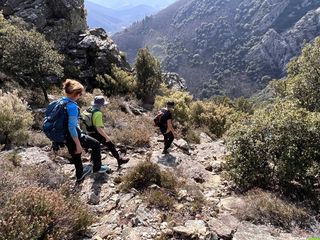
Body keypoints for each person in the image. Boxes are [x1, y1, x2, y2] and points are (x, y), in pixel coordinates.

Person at [62, 80, 110, 182]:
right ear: (75, 94)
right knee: (96, 144)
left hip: (65, 136)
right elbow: (72, 127)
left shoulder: (62, 101)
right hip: (73, 135)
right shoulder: (72, 106)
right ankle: (97, 168)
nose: (80, 96)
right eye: (79, 94)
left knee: (76, 154)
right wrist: (78, 144)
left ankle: (79, 175)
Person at [82, 96, 130, 168]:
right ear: (101, 105)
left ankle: (92, 161)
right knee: (110, 144)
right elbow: (99, 129)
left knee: (95, 146)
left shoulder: (87, 110)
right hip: (95, 133)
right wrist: (106, 137)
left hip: (87, 132)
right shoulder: (98, 113)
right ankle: (119, 159)